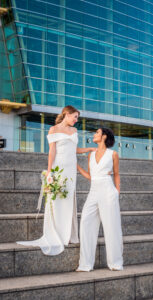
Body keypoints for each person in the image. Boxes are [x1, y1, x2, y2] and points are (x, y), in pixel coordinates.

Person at [17, 105, 96, 255]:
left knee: (68, 198)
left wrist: (89, 149)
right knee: (57, 199)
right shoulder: (53, 130)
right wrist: (49, 172)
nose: (76, 120)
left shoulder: (74, 131)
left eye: (77, 118)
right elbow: (52, 151)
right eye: (75, 117)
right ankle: (57, 233)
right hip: (58, 168)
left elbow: (75, 149)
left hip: (71, 170)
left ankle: (69, 234)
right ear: (67, 114)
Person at [76, 127, 123, 271]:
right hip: (94, 191)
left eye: (97, 132)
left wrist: (117, 192)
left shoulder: (113, 154)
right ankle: (85, 264)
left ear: (104, 136)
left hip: (108, 191)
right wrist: (77, 167)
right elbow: (91, 176)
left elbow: (116, 174)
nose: (94, 134)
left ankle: (115, 263)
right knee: (85, 221)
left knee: (111, 227)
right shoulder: (91, 154)